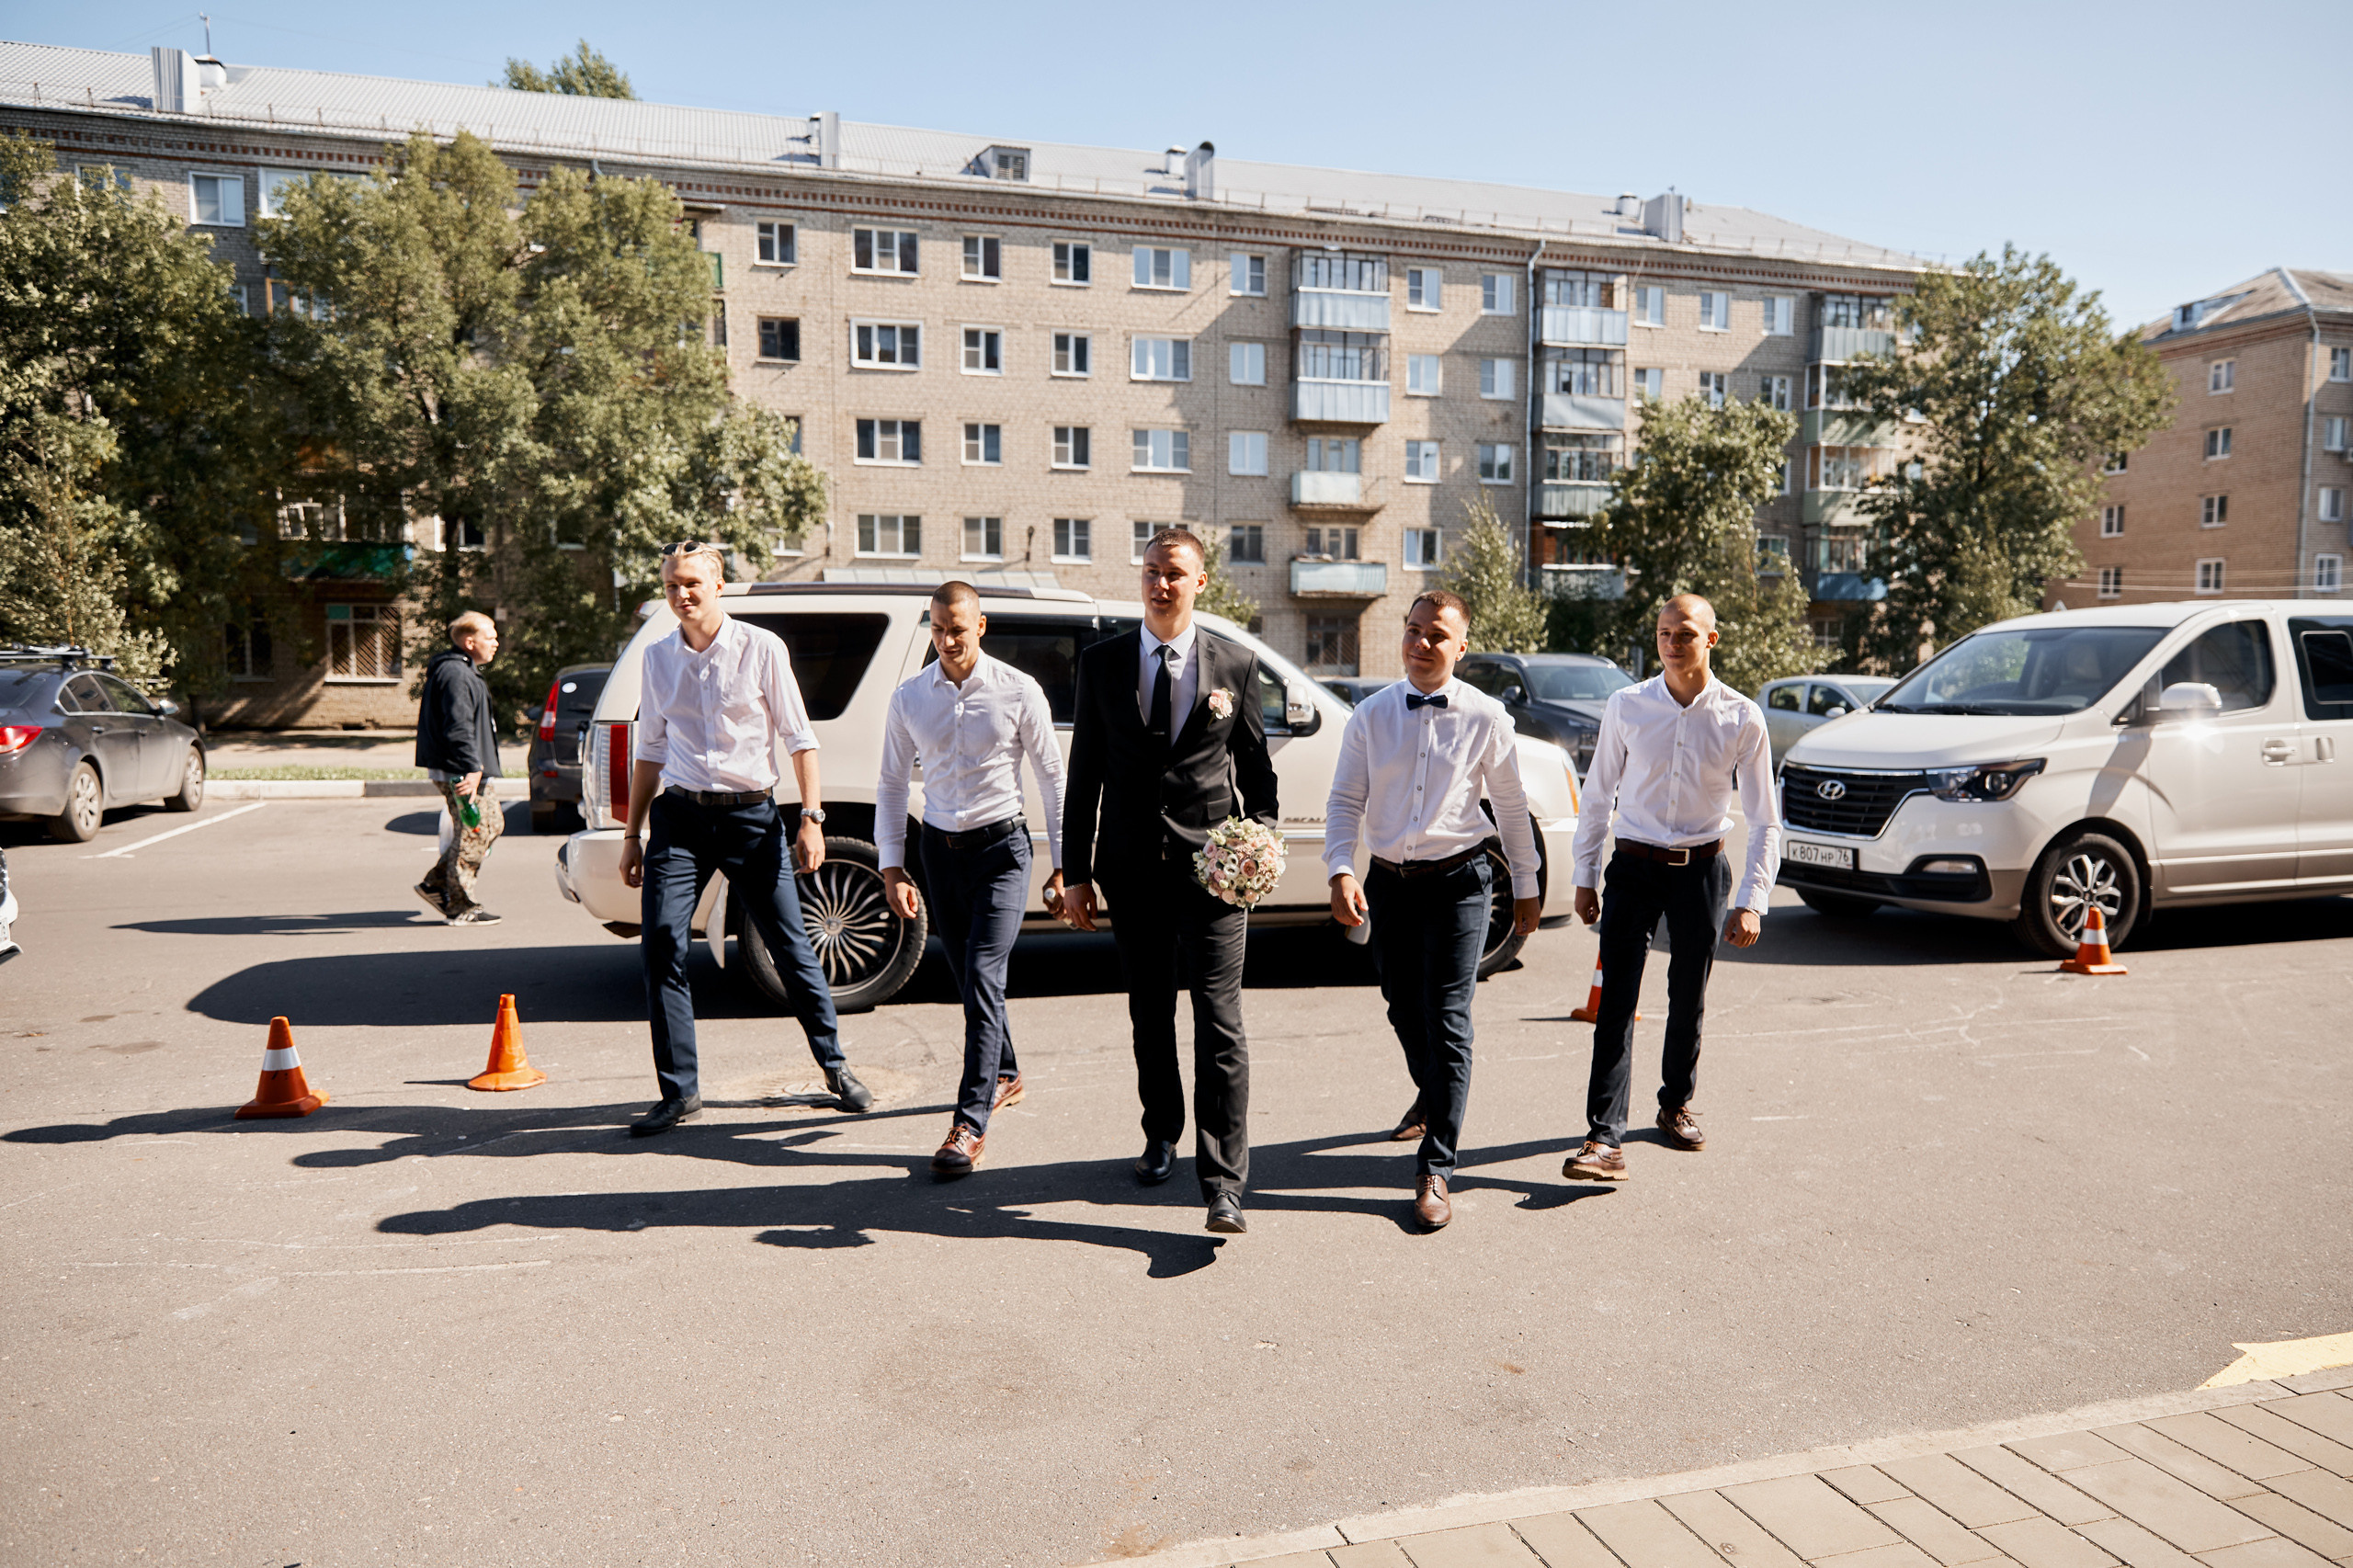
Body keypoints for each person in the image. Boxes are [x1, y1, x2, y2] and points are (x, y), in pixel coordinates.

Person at [1061, 528, 1279, 1234]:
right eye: (1152, 572)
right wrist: (1076, 874)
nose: (1160, 584)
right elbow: (1083, 776)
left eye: (1174, 574)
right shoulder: (1102, 664)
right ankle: (1161, 1133)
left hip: (1214, 875)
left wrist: (1260, 844)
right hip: (1130, 870)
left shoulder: (1237, 665)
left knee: (1219, 1022)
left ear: (1200, 582)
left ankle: (1223, 1184)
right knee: (1150, 1013)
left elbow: (1258, 778)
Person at [618, 541, 873, 1137]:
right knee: (661, 945)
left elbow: (800, 738)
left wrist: (812, 819)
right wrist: (633, 833)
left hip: (751, 818)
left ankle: (836, 1067)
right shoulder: (657, 659)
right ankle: (680, 1093)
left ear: (719, 585)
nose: (682, 594)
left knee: (790, 946)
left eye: (692, 584)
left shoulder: (761, 648)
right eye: (672, 585)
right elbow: (651, 750)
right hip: (680, 818)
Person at [1326, 590, 1542, 1230]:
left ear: (1462, 648)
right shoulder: (1370, 715)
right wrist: (1341, 867)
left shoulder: (1486, 718)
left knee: (1449, 1014)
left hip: (1461, 882)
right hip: (1389, 880)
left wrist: (1526, 886)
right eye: (1413, 631)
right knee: (1399, 999)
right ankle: (1432, 1092)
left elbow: (1509, 806)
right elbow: (1345, 800)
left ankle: (1436, 1168)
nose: (1421, 644)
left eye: (1437, 635)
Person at [1564, 593, 1779, 1181]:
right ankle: (1603, 1138)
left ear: (1711, 639)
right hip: (1632, 869)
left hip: (1703, 871)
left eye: (1684, 632)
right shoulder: (1627, 706)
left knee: (1689, 998)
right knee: (1617, 1003)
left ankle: (1674, 1104)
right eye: (1662, 633)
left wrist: (1752, 901)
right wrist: (1585, 875)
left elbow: (1764, 820)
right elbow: (1598, 793)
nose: (1671, 642)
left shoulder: (1741, 717)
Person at [876, 581, 1068, 1178]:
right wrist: (892, 865)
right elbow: (889, 783)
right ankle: (1006, 1073)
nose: (947, 640)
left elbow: (1051, 778)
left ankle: (969, 1124)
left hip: (1003, 850)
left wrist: (1065, 866)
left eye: (957, 628)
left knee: (985, 974)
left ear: (980, 627)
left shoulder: (1017, 690)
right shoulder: (910, 697)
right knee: (970, 981)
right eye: (937, 629)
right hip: (939, 851)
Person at [414, 610, 505, 926]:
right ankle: (461, 904)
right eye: (490, 636)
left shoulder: (462, 670)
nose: (496, 642)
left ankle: (437, 883)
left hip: (468, 767)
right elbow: (458, 727)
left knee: (490, 825)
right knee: (474, 832)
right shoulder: (455, 674)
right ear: (470, 641)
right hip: (462, 771)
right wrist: (472, 767)